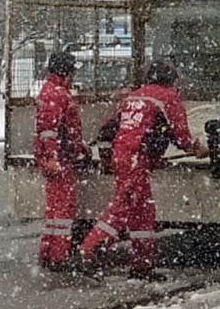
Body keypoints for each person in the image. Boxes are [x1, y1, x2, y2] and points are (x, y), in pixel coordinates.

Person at [78, 60, 209, 282]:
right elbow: (180, 134)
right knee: (123, 207)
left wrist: (108, 158)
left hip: (125, 155)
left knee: (143, 211)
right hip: (137, 157)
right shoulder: (167, 98)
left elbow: (108, 128)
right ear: (170, 80)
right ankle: (89, 251)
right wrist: (196, 148)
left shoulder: (134, 97)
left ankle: (142, 266)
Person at [34, 51, 91, 272]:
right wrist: (53, 158)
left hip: (61, 157)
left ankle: (48, 253)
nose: (74, 75)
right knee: (63, 211)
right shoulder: (56, 94)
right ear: (64, 71)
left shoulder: (53, 91)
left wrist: (79, 145)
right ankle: (58, 256)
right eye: (72, 71)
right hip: (60, 160)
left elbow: (56, 129)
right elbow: (49, 130)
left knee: (54, 210)